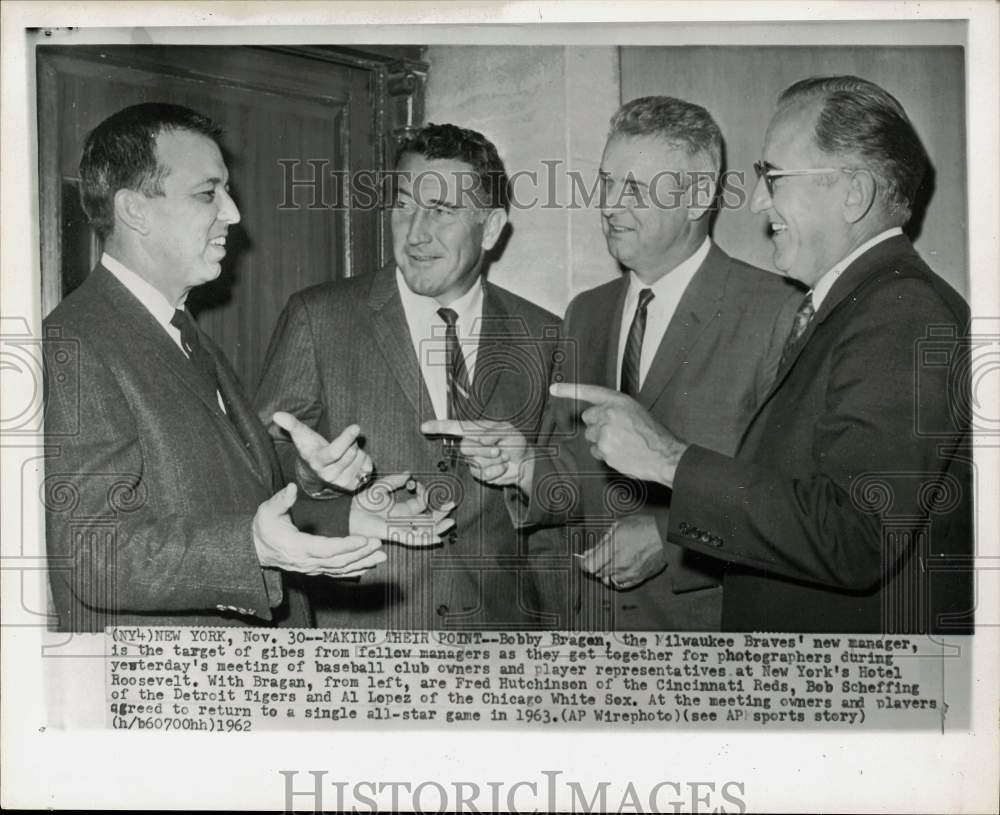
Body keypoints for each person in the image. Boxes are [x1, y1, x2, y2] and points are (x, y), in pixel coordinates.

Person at [551, 76, 973, 634]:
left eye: (774, 178)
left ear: (854, 193)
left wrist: (668, 460)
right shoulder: (855, 305)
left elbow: (856, 536)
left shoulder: (900, 309)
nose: (755, 201)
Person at [44, 103, 447, 632]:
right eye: (207, 193)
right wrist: (251, 548)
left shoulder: (184, 334)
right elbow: (91, 552)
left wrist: (335, 504)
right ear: (134, 210)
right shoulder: (76, 342)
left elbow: (227, 499)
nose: (233, 213)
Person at [427, 96, 801, 630]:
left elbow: (793, 505)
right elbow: (578, 478)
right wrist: (526, 467)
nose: (608, 205)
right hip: (587, 635)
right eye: (605, 183)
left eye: (634, 189)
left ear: (698, 198)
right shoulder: (587, 312)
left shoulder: (777, 312)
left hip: (706, 642)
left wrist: (671, 541)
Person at [255, 123, 562, 630]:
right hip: (363, 640)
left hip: (501, 642)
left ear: (490, 228)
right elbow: (259, 466)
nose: (416, 232)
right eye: (403, 205)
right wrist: (313, 476)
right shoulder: (319, 317)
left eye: (441, 211)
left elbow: (565, 503)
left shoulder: (544, 336)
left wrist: (530, 469)